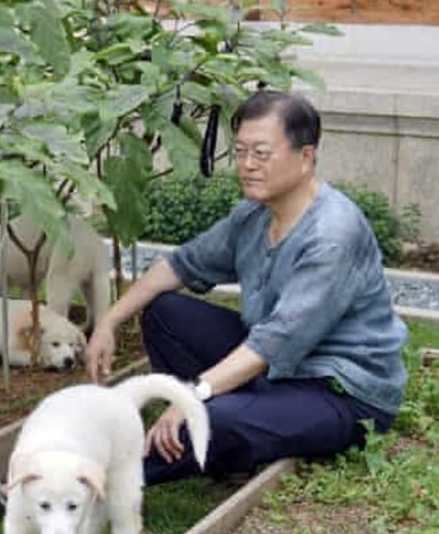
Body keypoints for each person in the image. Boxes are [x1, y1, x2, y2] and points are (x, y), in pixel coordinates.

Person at [85, 89, 408, 485]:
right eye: (240, 152)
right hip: (277, 370)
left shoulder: (331, 236)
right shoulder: (254, 215)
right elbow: (181, 264)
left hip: (340, 393)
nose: (247, 165)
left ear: (306, 157)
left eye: (261, 153)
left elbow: (275, 342)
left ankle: (81, 482)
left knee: (208, 419)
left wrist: (193, 396)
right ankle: (235, 442)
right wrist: (108, 321)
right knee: (165, 313)